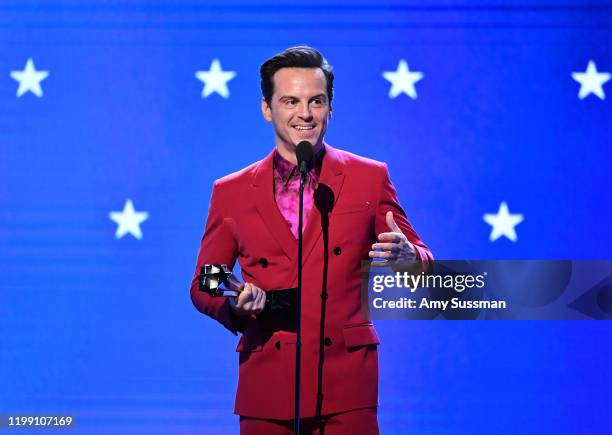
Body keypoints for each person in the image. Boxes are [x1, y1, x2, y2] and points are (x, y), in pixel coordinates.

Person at [190, 46, 433, 435]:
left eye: (315, 101)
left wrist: (409, 258)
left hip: (347, 385)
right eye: (290, 101)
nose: (305, 114)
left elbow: (421, 261)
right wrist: (234, 302)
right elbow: (205, 281)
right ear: (267, 108)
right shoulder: (231, 191)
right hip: (268, 382)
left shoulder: (369, 177)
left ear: (330, 108)